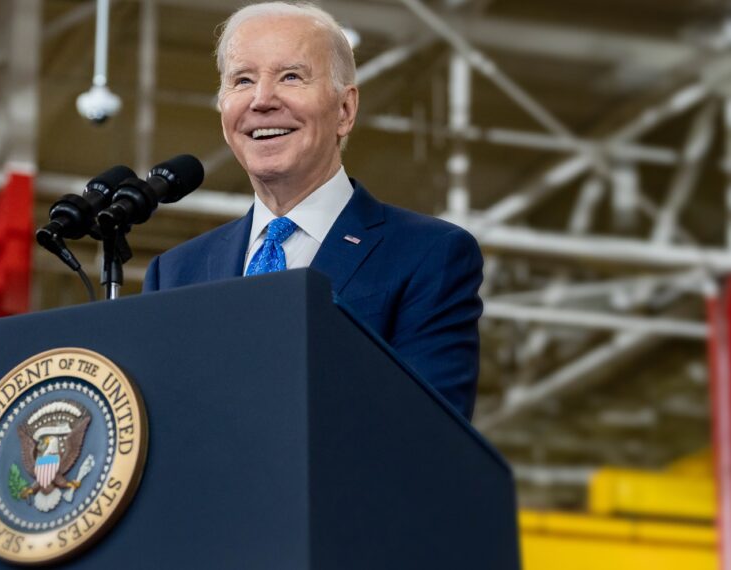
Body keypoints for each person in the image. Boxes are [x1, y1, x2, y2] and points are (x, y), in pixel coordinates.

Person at [142, 1, 484, 419]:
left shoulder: (429, 255)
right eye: (242, 80)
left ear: (345, 110)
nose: (262, 99)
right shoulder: (175, 274)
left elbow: (431, 433)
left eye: (290, 76)